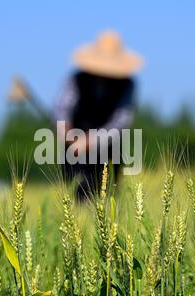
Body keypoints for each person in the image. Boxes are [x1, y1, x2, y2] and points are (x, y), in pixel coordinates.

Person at [53, 30, 143, 200]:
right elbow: (61, 108)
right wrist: (66, 131)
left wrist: (89, 141)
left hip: (109, 150)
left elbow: (120, 122)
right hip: (74, 149)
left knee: (108, 198)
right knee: (77, 196)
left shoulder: (127, 85)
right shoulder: (76, 79)